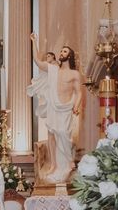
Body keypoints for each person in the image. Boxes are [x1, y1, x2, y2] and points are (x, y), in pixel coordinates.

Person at [29, 33, 82, 184]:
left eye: (65, 51)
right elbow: (38, 62)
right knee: (54, 135)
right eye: (61, 51)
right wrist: (34, 42)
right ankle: (56, 166)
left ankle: (68, 163)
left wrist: (76, 107)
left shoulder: (75, 74)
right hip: (54, 106)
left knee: (64, 134)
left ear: (70, 56)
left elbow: (79, 93)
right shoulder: (53, 70)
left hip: (66, 109)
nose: (62, 53)